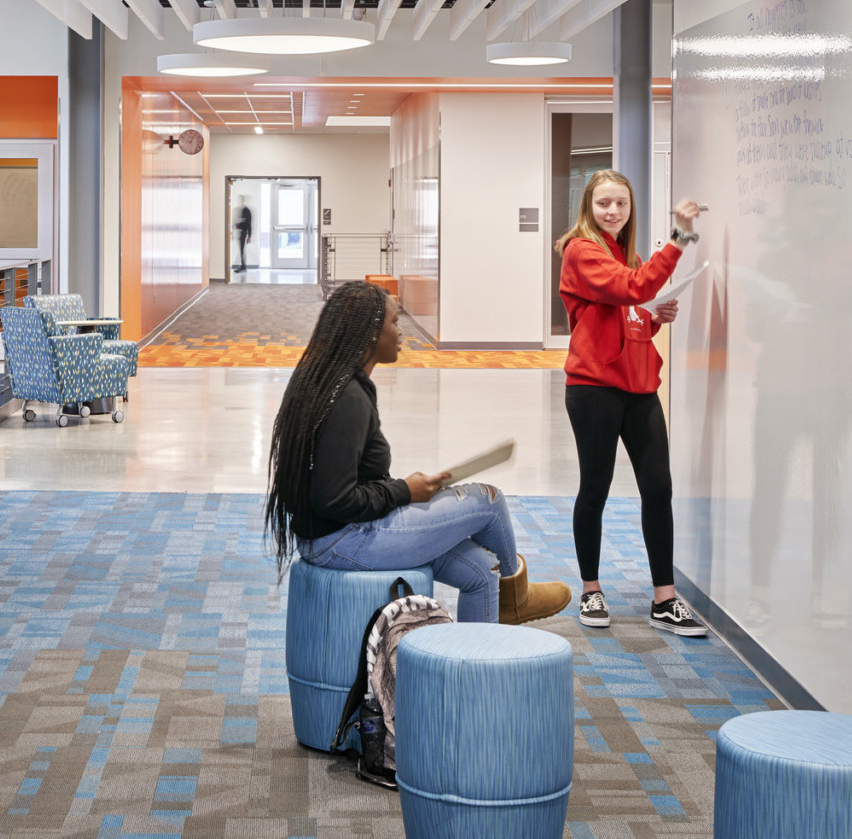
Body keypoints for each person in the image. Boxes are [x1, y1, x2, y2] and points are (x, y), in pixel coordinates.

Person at [266, 280, 571, 624]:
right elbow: (332, 500)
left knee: (484, 570)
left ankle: (469, 669)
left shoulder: (328, 380)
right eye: (394, 323)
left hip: (336, 535)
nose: (401, 333)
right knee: (490, 501)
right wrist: (403, 492)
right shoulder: (348, 398)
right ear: (369, 334)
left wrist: (408, 491)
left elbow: (344, 482)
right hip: (341, 540)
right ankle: (517, 598)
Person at [557, 169, 706, 636]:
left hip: (639, 386)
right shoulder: (581, 251)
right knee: (595, 489)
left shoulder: (627, 254)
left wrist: (656, 315)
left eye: (620, 203)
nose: (612, 211)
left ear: (630, 208)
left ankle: (664, 599)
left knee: (658, 489)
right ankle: (591, 589)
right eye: (603, 203)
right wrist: (680, 240)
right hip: (594, 387)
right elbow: (633, 289)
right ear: (588, 207)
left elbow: (634, 311)